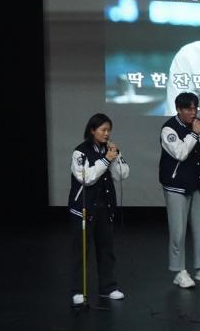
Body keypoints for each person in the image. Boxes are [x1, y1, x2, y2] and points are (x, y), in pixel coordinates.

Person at [159, 92, 200, 288]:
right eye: (188, 109)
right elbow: (180, 153)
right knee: (178, 232)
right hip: (176, 186)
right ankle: (179, 271)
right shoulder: (169, 129)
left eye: (195, 108)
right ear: (179, 109)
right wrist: (194, 134)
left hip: (195, 184)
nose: (193, 113)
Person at [69, 113, 129, 306]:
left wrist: (115, 157)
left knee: (106, 250)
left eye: (109, 130)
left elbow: (122, 175)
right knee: (81, 251)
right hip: (84, 208)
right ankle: (78, 290)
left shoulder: (111, 150)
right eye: (103, 130)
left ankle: (108, 287)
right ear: (92, 130)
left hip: (105, 207)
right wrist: (105, 160)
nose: (106, 134)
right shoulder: (80, 152)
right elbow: (86, 177)